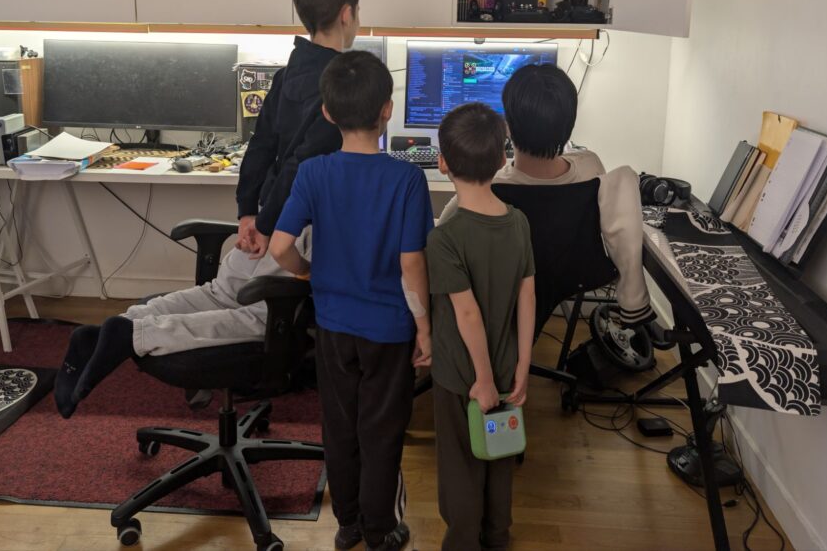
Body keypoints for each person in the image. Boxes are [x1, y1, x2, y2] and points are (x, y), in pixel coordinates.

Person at [54, 0, 360, 419]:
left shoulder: (287, 75)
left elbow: (261, 147)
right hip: (294, 228)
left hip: (265, 217)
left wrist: (248, 213)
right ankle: (135, 335)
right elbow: (302, 167)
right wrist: (269, 227)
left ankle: (117, 326)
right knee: (258, 318)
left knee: (220, 293)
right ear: (347, 14)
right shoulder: (341, 84)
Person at [269, 50, 432, 551]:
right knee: (382, 430)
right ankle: (381, 529)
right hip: (388, 330)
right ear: (387, 110)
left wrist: (306, 271)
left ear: (327, 112)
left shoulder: (313, 172)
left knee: (340, 426)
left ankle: (348, 524)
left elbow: (279, 247)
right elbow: (411, 264)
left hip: (334, 326)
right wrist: (425, 328)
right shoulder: (407, 179)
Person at [437, 63, 654, 327]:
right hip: (577, 275)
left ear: (507, 127)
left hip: (508, 283)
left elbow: (442, 234)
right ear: (569, 126)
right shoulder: (591, 166)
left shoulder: (489, 187)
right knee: (625, 175)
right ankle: (634, 299)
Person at [426, 102, 536, 551]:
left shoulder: (444, 238)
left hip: (461, 375)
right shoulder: (518, 222)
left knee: (461, 463)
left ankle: (462, 541)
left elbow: (467, 314)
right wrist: (523, 364)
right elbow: (527, 296)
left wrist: (483, 379)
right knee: (500, 453)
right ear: (502, 159)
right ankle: (496, 535)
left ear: (442, 163)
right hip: (507, 366)